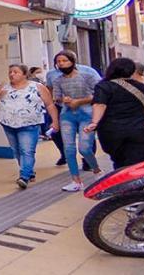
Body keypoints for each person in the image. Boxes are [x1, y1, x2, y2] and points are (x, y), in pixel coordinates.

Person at [0, 64, 58, 189]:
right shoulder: (3, 87)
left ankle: (24, 176)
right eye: (10, 72)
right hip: (8, 123)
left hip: (29, 124)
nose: (12, 74)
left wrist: (55, 121)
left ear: (24, 74)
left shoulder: (37, 87)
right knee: (16, 150)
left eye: (15, 72)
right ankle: (29, 172)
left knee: (27, 150)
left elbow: (49, 105)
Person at [86, 57, 144, 169]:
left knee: (119, 162)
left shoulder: (104, 86)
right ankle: (136, 184)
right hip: (140, 130)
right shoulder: (143, 87)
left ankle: (123, 182)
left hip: (112, 131)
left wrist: (94, 122)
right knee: (137, 162)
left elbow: (99, 104)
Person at [50, 50, 102, 191]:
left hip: (87, 114)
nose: (61, 64)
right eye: (59, 61)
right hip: (67, 115)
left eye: (64, 61)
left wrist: (79, 101)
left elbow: (98, 94)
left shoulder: (87, 76)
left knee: (85, 148)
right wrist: (63, 99)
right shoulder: (57, 80)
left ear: (72, 61)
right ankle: (76, 180)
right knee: (69, 148)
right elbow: (56, 97)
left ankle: (96, 170)